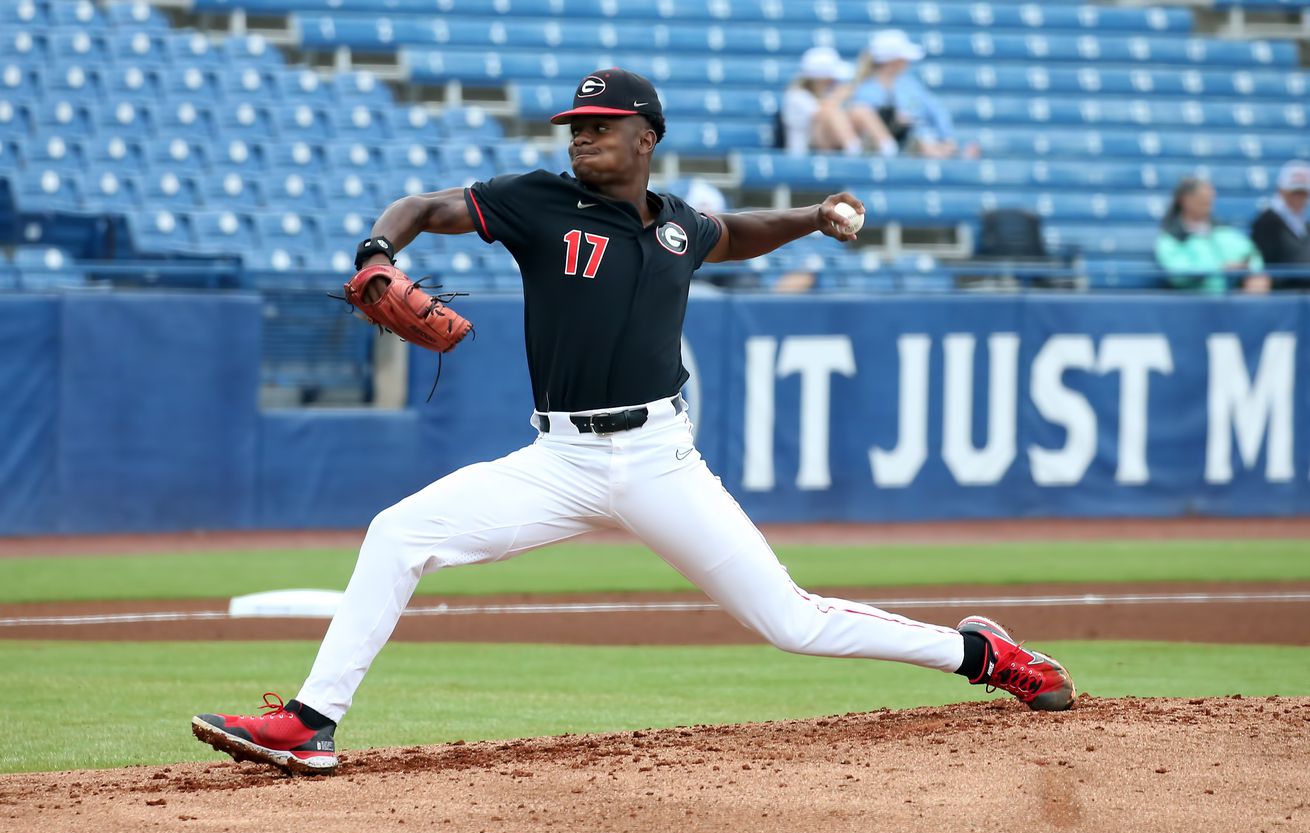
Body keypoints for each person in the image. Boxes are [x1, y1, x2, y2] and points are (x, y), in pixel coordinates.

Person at [191, 68, 1075, 776]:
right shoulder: (538, 202)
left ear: (645, 139)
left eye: (600, 126)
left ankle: (981, 655)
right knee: (398, 532)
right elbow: (422, 208)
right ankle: (310, 723)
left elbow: (736, 230)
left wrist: (812, 218)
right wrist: (378, 253)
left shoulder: (679, 227)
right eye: (576, 126)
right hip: (557, 460)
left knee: (790, 622)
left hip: (659, 460)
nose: (581, 137)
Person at [850, 30, 977, 160]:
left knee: (923, 141)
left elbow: (934, 110)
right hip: (883, 143)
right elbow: (864, 118)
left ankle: (945, 151)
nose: (907, 62)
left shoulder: (910, 86)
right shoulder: (866, 89)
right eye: (904, 58)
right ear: (894, 61)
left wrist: (947, 137)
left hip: (914, 139)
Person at [1156, 176, 1270, 295]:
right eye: (1201, 199)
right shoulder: (1172, 237)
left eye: (1210, 199)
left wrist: (1251, 271)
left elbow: (1251, 254)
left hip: (1233, 299)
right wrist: (1219, 269)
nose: (1208, 203)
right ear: (1185, 200)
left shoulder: (1223, 231)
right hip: (1194, 300)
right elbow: (1179, 275)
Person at [780, 46, 895, 158]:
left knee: (860, 110)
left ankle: (888, 147)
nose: (833, 81)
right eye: (830, 78)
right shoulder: (796, 96)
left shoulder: (827, 94)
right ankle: (853, 148)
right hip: (806, 148)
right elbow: (821, 114)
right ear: (820, 79)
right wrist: (838, 96)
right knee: (833, 112)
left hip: (830, 144)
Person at [1250, 160, 1310, 290]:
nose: (1299, 199)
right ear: (1281, 190)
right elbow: (1266, 263)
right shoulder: (1267, 221)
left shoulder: (1303, 223)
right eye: (1295, 192)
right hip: (1283, 289)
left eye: (1303, 193)